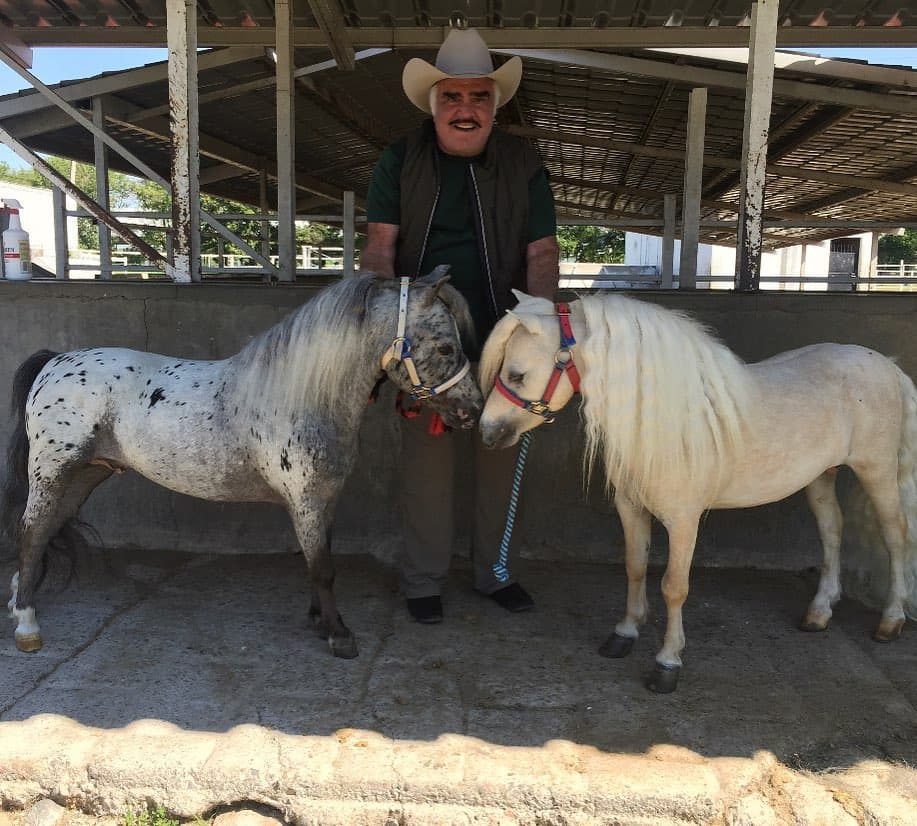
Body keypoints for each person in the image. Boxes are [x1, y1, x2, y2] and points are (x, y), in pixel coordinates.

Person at [360, 27, 560, 624]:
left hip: (507, 333)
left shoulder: (524, 162)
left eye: (479, 97)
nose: (465, 108)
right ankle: (423, 579)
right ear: (433, 104)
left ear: (495, 107)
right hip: (427, 341)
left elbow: (543, 253)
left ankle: (495, 573)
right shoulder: (401, 158)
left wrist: (539, 329)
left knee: (501, 452)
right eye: (452, 97)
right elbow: (379, 250)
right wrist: (385, 335)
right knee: (428, 462)